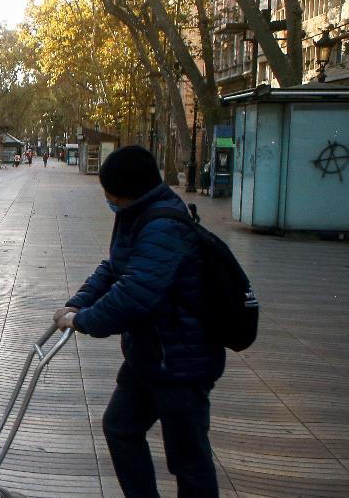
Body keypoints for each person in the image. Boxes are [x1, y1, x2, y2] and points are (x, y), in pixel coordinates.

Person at [54, 145, 223, 498]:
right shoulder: (137, 214)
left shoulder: (163, 226)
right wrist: (78, 301)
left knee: (188, 459)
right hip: (149, 356)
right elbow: (114, 267)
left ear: (129, 190)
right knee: (121, 428)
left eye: (110, 192)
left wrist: (83, 320)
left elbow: (135, 294)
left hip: (180, 362)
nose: (107, 198)